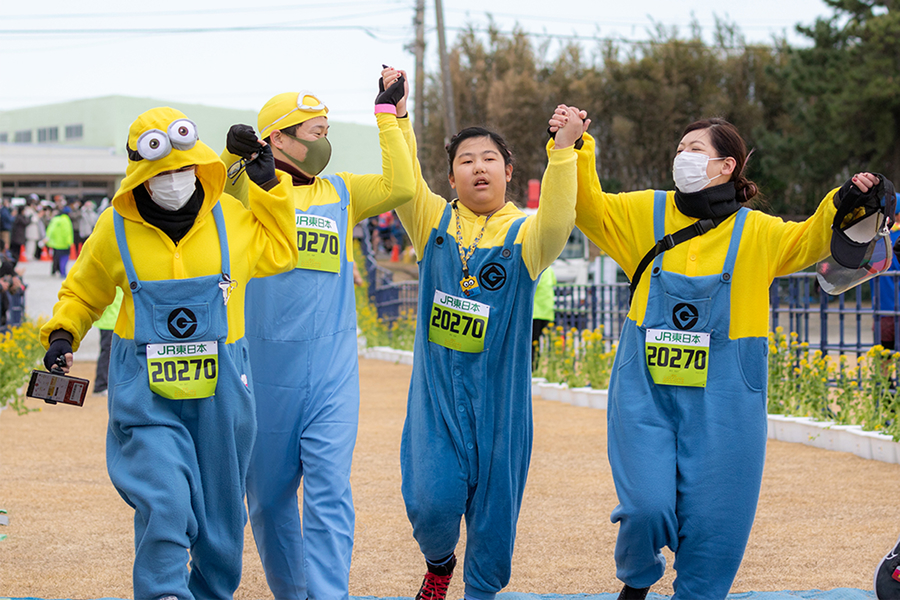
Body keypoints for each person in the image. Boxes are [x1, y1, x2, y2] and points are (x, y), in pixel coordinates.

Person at [562, 112, 888, 600]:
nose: (682, 157)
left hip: (729, 391)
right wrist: (574, 146)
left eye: (695, 149)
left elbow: (810, 239)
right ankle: (637, 579)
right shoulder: (643, 212)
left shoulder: (758, 232)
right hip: (645, 388)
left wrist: (846, 201)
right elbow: (588, 206)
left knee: (719, 520)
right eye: (679, 149)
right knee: (645, 506)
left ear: (726, 165)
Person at [39, 106, 298, 600]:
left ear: (199, 164)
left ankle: (211, 592)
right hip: (144, 391)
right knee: (166, 498)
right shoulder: (114, 228)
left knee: (223, 518)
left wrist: (269, 185)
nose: (174, 180)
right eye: (161, 171)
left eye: (184, 168)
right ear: (140, 171)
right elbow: (83, 291)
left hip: (224, 387)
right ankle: (164, 593)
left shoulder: (233, 219)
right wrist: (63, 335)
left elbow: (283, 250)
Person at [380, 66, 582, 600]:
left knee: (494, 522)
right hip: (437, 400)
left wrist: (563, 152)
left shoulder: (526, 237)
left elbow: (558, 219)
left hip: (501, 405)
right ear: (451, 178)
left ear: (509, 171)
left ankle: (481, 592)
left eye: (489, 158)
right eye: (465, 161)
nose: (478, 168)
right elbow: (404, 182)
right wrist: (395, 117)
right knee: (431, 503)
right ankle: (439, 561)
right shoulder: (432, 223)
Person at [220, 76, 413, 600]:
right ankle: (293, 592)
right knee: (268, 498)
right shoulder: (243, 192)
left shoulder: (343, 191)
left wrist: (390, 117)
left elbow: (401, 186)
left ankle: (329, 594)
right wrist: (234, 156)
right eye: (315, 131)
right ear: (277, 138)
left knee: (330, 489)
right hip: (264, 372)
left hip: (331, 369)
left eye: (327, 130)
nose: (325, 140)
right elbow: (207, 185)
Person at [92, 286, 124, 396]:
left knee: (114, 353)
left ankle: (107, 384)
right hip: (109, 321)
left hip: (115, 321)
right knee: (107, 353)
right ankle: (100, 386)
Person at [531, 264, 556, 366]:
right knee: (538, 341)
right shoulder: (550, 270)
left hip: (536, 312)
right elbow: (554, 282)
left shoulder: (537, 269)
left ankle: (533, 365)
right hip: (547, 312)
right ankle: (536, 364)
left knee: (532, 341)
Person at [44, 205, 73, 276]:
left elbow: (50, 230)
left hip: (55, 243)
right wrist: (69, 242)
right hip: (64, 243)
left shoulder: (55, 219)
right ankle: (62, 272)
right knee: (64, 258)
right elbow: (67, 232)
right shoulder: (66, 220)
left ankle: (54, 270)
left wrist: (48, 240)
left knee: (56, 258)